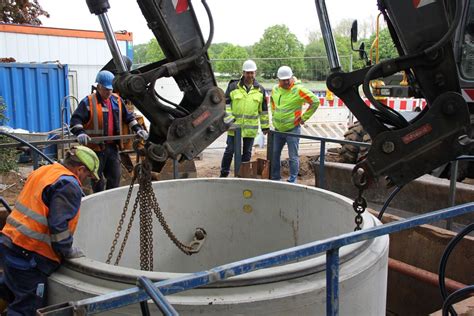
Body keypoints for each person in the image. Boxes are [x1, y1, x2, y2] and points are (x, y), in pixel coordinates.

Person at [0, 146, 99, 314]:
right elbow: (58, 227)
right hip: (30, 255)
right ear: (80, 169)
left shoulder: (45, 170)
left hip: (9, 242)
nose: (86, 180)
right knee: (27, 307)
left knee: (8, 291)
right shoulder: (68, 184)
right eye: (88, 175)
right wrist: (67, 251)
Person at [70, 70, 148, 192]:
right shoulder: (88, 102)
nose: (109, 92)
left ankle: (112, 205)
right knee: (97, 181)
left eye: (111, 89)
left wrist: (138, 129)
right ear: (98, 86)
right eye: (106, 89)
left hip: (112, 148)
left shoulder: (117, 101)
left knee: (115, 179)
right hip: (95, 150)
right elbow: (75, 121)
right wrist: (80, 133)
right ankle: (99, 204)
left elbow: (128, 117)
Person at [219, 60, 269, 177]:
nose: (250, 75)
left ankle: (242, 175)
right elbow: (225, 105)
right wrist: (230, 120)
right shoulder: (233, 86)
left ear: (255, 73)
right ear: (243, 73)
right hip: (234, 127)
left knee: (247, 153)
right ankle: (224, 174)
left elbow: (263, 111)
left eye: (252, 73)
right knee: (230, 150)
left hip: (250, 129)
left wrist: (265, 127)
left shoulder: (260, 90)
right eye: (248, 73)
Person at [270, 66, 319, 183]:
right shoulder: (275, 89)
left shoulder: (299, 90)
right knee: (275, 154)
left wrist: (304, 118)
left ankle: (292, 180)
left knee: (293, 156)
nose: (286, 82)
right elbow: (272, 102)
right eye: (283, 80)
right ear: (278, 80)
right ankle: (276, 178)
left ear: (292, 78)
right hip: (278, 129)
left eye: (288, 79)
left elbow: (315, 102)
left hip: (292, 129)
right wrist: (274, 114)